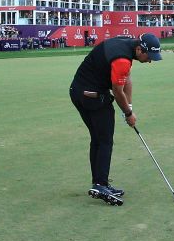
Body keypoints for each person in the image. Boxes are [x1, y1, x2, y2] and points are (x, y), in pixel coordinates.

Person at [69, 33, 162, 206]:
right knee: (105, 140)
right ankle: (100, 184)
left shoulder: (127, 47)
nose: (150, 61)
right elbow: (117, 91)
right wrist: (128, 114)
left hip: (78, 91)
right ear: (139, 49)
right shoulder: (122, 60)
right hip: (91, 95)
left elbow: (127, 80)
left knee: (98, 139)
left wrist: (130, 108)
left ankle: (99, 183)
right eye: (149, 56)